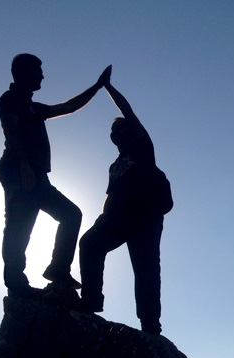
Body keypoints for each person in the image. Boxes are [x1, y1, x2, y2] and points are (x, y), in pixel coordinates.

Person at [0, 54, 111, 298]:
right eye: (37, 70)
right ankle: (16, 283)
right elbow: (10, 131)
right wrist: (24, 164)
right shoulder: (10, 99)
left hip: (37, 175)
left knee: (71, 214)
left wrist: (98, 86)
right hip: (19, 169)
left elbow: (68, 107)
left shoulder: (34, 108)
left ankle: (58, 270)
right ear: (22, 72)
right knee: (19, 226)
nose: (42, 75)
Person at [79, 69, 171, 335]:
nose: (115, 132)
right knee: (89, 243)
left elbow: (128, 111)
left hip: (145, 219)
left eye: (120, 128)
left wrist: (106, 87)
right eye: (112, 130)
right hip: (116, 220)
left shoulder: (143, 148)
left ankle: (150, 324)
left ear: (132, 132)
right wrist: (103, 217)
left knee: (146, 270)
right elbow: (111, 195)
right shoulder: (114, 165)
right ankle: (92, 300)